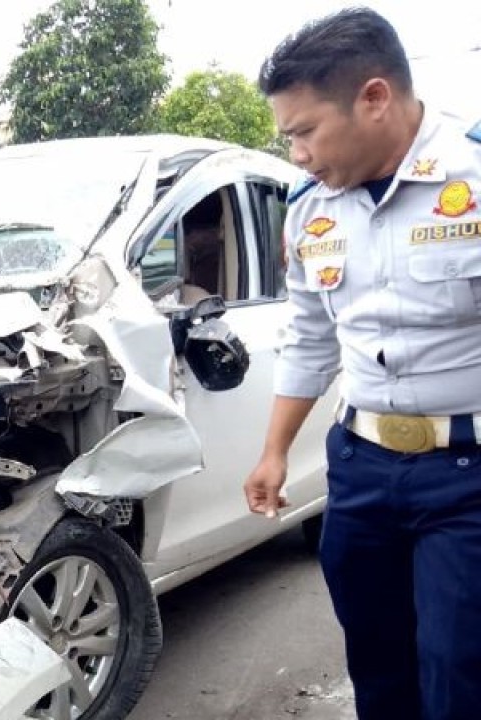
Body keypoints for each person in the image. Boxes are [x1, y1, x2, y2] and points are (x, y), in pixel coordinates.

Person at [246, 8, 481, 719]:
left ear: (374, 98)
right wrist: (274, 451)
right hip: (362, 469)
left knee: (458, 668)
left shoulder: (473, 176)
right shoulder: (308, 209)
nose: (298, 155)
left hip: (468, 474)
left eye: (305, 132)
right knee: (378, 663)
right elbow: (311, 336)